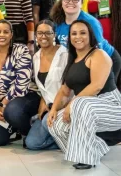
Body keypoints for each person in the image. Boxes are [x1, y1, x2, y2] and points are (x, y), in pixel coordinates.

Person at [48, 20, 121, 170]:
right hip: (86, 106)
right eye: (74, 33)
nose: (78, 37)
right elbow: (64, 91)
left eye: (83, 33)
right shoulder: (72, 61)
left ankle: (87, 158)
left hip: (112, 106)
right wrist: (54, 110)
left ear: (90, 36)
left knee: (82, 103)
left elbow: (96, 86)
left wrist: (72, 104)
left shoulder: (98, 54)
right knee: (56, 124)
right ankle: (97, 147)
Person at [0, 19, 40, 146]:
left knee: (12, 111)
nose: (1, 35)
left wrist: (3, 104)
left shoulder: (21, 50)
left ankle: (28, 130)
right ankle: (14, 125)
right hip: (1, 104)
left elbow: (22, 83)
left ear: (11, 34)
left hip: (25, 97)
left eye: (5, 32)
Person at [51, 0, 121, 89]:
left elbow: (99, 53)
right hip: (78, 60)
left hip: (107, 59)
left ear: (82, 3)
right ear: (62, 1)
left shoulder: (91, 23)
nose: (71, 2)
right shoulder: (58, 21)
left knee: (101, 93)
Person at [25, 20, 67, 150]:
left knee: (45, 123)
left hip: (64, 106)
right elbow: (44, 86)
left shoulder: (64, 54)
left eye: (48, 33)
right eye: (40, 33)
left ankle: (67, 136)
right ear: (36, 36)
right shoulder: (36, 57)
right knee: (31, 143)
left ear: (54, 35)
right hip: (48, 107)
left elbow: (68, 87)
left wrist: (55, 107)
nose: (43, 36)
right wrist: (43, 100)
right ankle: (62, 139)